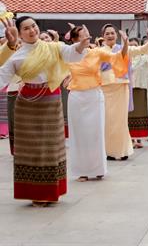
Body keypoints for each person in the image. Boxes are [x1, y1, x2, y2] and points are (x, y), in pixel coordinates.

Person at [0, 16, 89, 205]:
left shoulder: (52, 47)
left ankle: (51, 191)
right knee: (31, 149)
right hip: (26, 106)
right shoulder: (17, 55)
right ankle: (36, 193)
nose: (31, 30)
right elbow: (2, 77)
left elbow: (71, 53)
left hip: (51, 102)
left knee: (51, 148)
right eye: (26, 28)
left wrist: (81, 45)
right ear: (19, 33)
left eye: (33, 26)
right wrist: (9, 44)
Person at [66, 26, 129, 181]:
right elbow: (57, 66)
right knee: (79, 134)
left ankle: (98, 168)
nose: (87, 38)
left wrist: (126, 42)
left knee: (96, 133)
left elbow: (117, 57)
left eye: (88, 35)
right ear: (75, 40)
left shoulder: (96, 52)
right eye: (83, 36)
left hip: (94, 95)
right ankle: (81, 170)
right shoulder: (68, 54)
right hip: (76, 97)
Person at [99, 24, 148, 161]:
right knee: (107, 121)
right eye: (107, 33)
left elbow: (143, 49)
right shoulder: (98, 51)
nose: (110, 35)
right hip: (105, 89)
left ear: (116, 36)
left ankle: (122, 151)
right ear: (103, 36)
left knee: (121, 121)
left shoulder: (125, 49)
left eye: (112, 33)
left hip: (121, 88)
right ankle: (109, 151)